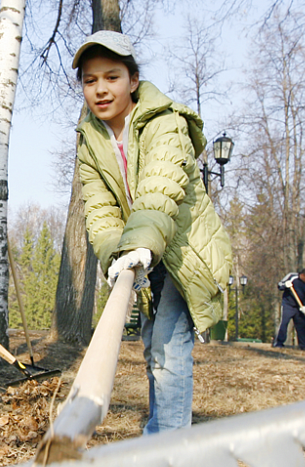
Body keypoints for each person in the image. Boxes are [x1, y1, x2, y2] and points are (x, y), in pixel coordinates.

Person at [72, 31, 232, 435]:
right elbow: (100, 208)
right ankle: (163, 434)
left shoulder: (165, 122)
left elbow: (160, 189)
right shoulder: (90, 139)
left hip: (185, 250)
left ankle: (167, 451)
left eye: (112, 77)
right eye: (91, 81)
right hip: (142, 251)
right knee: (152, 346)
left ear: (133, 80)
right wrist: (116, 255)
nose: (101, 89)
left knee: (169, 345)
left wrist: (139, 243)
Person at [273, 268, 305, 350]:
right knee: (284, 323)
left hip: (300, 307)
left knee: (302, 326)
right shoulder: (292, 277)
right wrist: (285, 285)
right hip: (288, 305)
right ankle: (279, 343)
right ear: (302, 275)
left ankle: (304, 345)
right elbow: (280, 285)